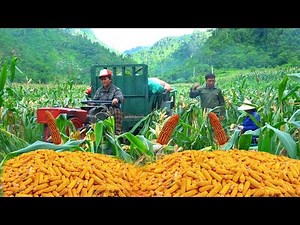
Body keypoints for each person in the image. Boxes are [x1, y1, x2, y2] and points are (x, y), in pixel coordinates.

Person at [88, 68, 124, 135]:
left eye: (105, 79)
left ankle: (117, 132)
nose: (103, 81)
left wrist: (116, 99)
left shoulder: (115, 89)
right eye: (102, 80)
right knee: (91, 111)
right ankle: (92, 129)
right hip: (101, 108)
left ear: (110, 79)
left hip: (111, 108)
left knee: (117, 112)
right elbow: (94, 100)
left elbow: (120, 96)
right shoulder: (99, 90)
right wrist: (90, 103)